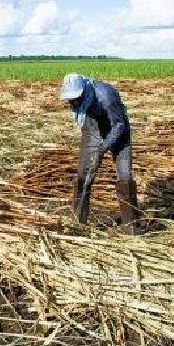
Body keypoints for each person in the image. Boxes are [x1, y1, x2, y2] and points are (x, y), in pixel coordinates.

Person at [60, 73, 140, 234]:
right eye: (71, 100)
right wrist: (95, 151)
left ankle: (132, 226)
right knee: (83, 175)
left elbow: (119, 125)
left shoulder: (106, 97)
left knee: (124, 176)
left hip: (117, 127)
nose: (74, 102)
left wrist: (103, 149)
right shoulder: (77, 100)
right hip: (92, 127)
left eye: (77, 98)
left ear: (84, 91)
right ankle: (78, 221)